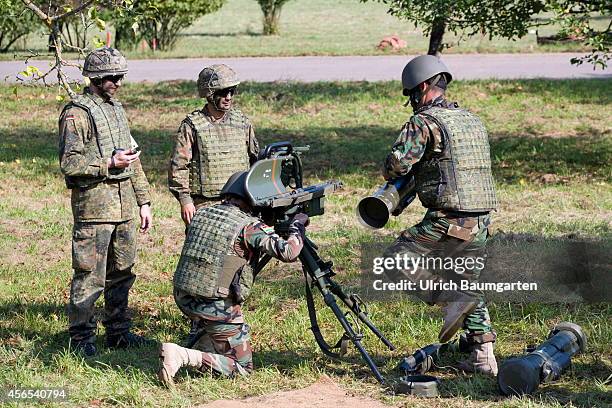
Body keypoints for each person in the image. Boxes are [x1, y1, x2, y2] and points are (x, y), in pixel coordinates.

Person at [382, 55, 499, 375]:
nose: (411, 103)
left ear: (421, 87)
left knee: (394, 259)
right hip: (481, 220)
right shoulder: (471, 119)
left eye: (410, 96)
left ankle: (449, 300)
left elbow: (396, 165)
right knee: (466, 281)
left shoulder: (424, 122)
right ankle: (482, 356)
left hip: (450, 219)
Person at [158, 171, 308, 385]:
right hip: (214, 306)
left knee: (215, 341)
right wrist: (297, 227)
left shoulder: (202, 213)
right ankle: (183, 355)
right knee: (242, 369)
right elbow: (288, 252)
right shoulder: (249, 227)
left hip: (184, 296)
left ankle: (206, 343)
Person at [58, 47, 153, 357]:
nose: (118, 83)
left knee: (122, 271)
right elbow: (70, 164)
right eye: (113, 77)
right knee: (89, 275)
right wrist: (109, 163)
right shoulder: (76, 113)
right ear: (96, 78)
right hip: (95, 208)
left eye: (120, 77)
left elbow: (133, 157)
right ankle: (82, 339)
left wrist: (144, 201)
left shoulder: (115, 108)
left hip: (125, 207)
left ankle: (119, 332)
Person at [168, 64, 259, 226]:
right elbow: (179, 166)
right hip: (205, 203)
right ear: (209, 94)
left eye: (232, 91)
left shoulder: (242, 122)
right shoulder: (192, 125)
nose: (229, 97)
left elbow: (255, 161)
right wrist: (185, 200)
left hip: (240, 202)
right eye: (223, 92)